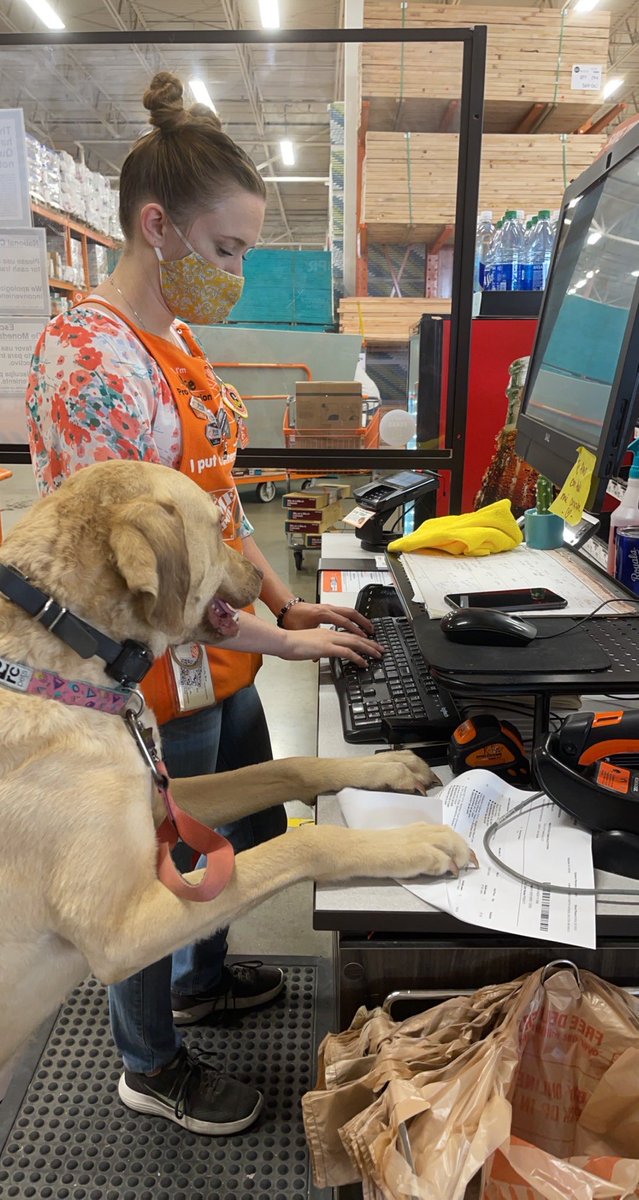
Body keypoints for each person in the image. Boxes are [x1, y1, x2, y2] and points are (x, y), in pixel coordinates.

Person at [26, 70, 381, 1138]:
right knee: (149, 855)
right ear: (156, 225)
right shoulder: (89, 358)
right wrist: (275, 634)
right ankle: (150, 1060)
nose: (234, 273)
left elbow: (217, 510)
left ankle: (202, 977)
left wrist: (285, 600)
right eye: (226, 251)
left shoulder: (170, 339)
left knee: (243, 813)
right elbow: (154, 572)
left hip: (212, 655)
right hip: (138, 659)